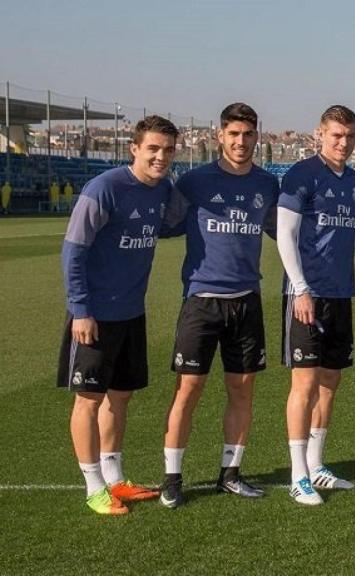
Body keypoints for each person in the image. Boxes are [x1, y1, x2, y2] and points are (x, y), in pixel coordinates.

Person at [159, 103, 279, 508]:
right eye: (233, 134)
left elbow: (284, 232)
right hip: (201, 302)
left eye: (247, 135)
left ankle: (230, 473)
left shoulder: (267, 185)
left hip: (246, 301)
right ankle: (172, 477)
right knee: (187, 391)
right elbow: (166, 225)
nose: (240, 142)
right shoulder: (193, 182)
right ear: (219, 136)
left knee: (242, 392)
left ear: (256, 137)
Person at [58, 115, 179, 514]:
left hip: (132, 312)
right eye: (153, 149)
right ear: (135, 148)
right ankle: (94, 487)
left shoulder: (162, 190)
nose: (161, 157)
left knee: (120, 397)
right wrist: (80, 309)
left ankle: (115, 478)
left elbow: (169, 226)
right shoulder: (105, 188)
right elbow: (74, 249)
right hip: (94, 315)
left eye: (168, 150)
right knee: (88, 400)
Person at [276, 105, 355, 505]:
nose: (344, 143)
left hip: (341, 294)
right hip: (306, 295)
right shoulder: (301, 175)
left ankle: (316, 464)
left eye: (351, 136)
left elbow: (353, 234)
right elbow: (284, 236)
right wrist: (301, 289)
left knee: (330, 382)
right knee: (304, 384)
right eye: (337, 135)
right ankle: (297, 475)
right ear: (319, 134)